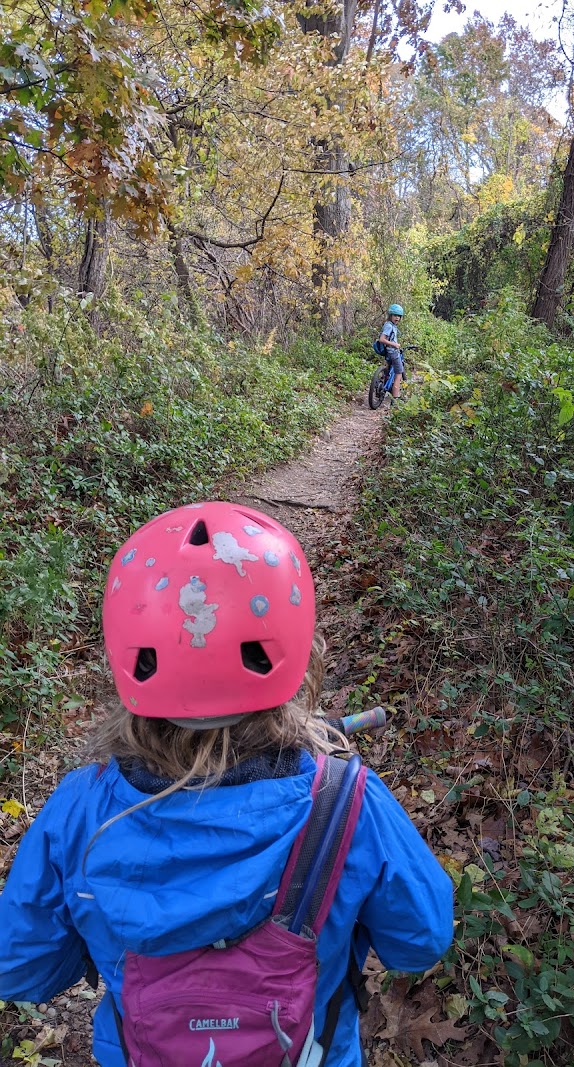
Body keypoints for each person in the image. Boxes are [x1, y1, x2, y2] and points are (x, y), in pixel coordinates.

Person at [0, 501, 453, 1067]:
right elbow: (420, 943)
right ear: (300, 649)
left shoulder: (80, 808)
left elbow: (22, 969)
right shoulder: (347, 802)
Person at [378, 303, 405, 400]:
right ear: (390, 316)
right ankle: (395, 397)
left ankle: (385, 387)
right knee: (399, 373)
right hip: (393, 352)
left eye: (399, 316)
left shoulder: (390, 325)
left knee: (388, 370)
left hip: (388, 352)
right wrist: (395, 345)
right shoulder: (389, 326)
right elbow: (382, 339)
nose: (397, 318)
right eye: (395, 315)